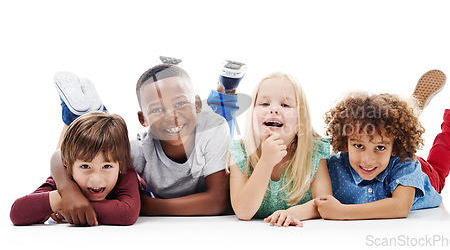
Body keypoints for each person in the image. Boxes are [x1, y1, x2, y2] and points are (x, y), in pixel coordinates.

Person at [50, 59, 246, 221]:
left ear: (196, 103)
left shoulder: (212, 129)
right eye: (157, 109)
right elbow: (60, 156)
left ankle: (226, 86)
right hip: (191, 127)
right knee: (103, 144)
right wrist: (68, 191)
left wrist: (151, 206)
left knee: (224, 121)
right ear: (142, 119)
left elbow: (218, 201)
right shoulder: (141, 150)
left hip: (208, 128)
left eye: (180, 103)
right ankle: (90, 115)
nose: (172, 115)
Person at [316, 72, 450, 220]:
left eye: (379, 148)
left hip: (415, 171)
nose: (367, 159)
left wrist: (343, 212)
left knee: (441, 160)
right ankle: (407, 114)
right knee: (386, 129)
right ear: (345, 144)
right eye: (358, 146)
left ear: (395, 148)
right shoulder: (333, 165)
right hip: (390, 154)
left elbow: (400, 207)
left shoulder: (405, 164)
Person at [228, 72, 332, 227]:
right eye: (264, 104)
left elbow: (325, 204)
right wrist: (266, 162)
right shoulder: (240, 152)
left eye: (285, 105)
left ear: (300, 119)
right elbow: (243, 212)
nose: (274, 109)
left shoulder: (314, 151)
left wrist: (293, 213)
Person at [10, 112, 140, 226]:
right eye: (85, 166)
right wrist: (67, 195)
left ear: (120, 165)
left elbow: (127, 213)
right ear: (68, 166)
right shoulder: (64, 177)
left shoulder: (124, 171)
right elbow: (17, 212)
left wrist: (64, 205)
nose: (96, 178)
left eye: (106, 166)